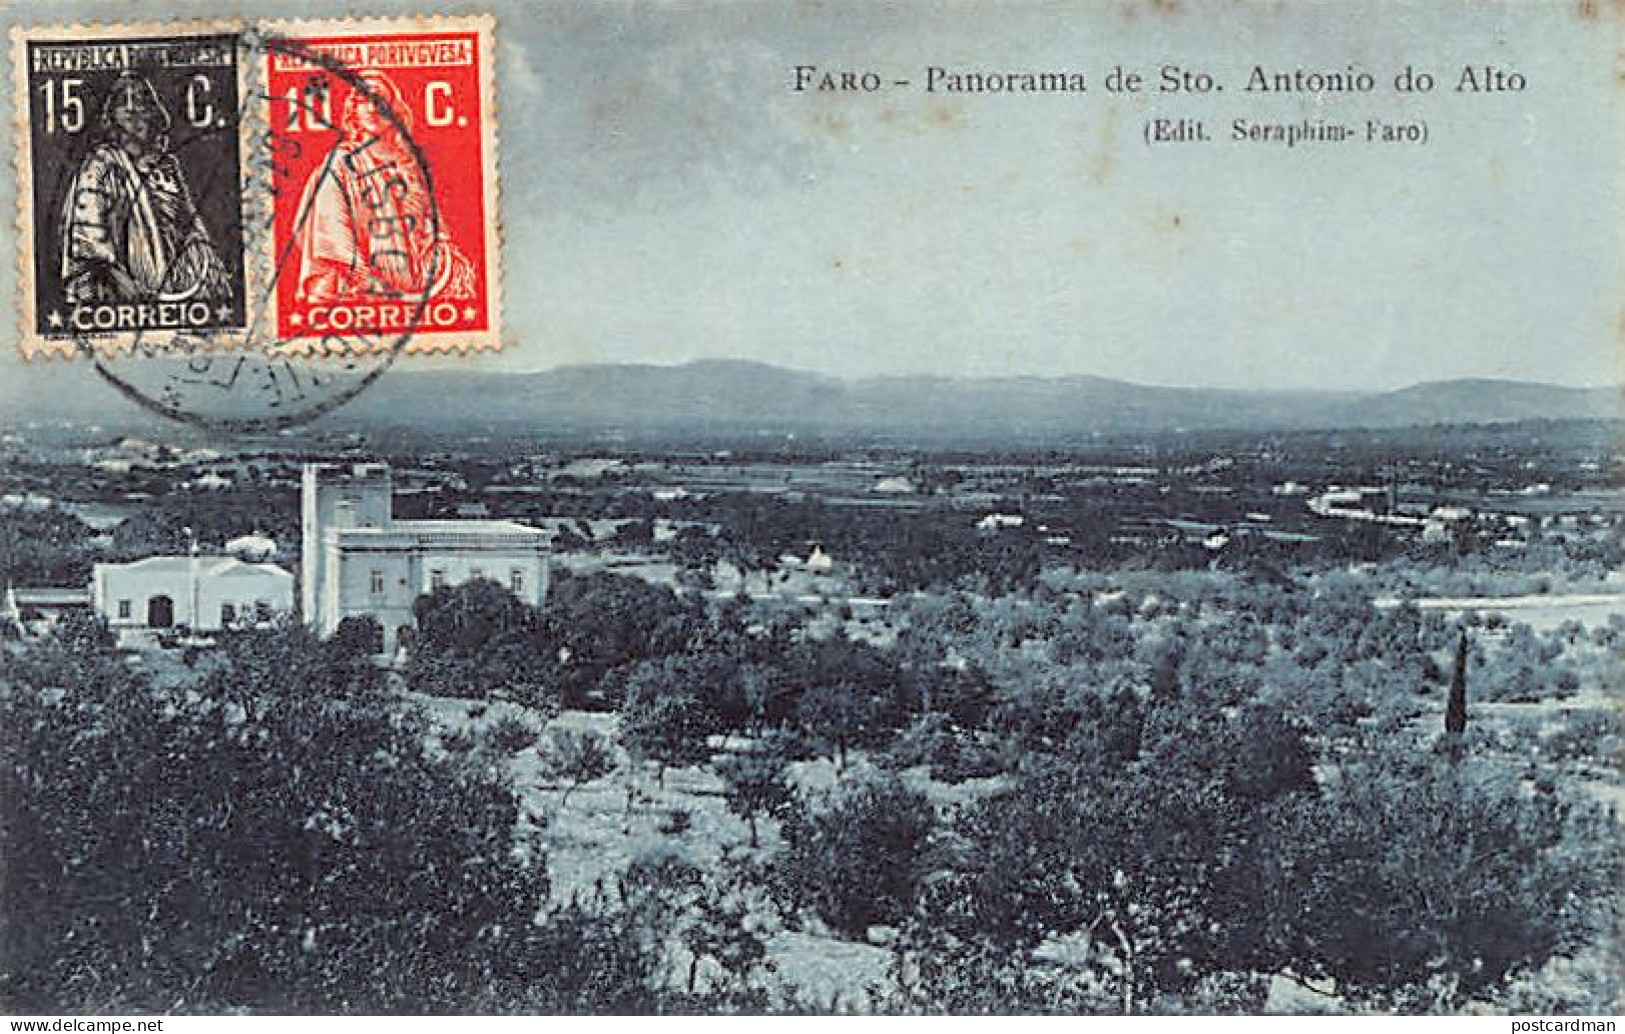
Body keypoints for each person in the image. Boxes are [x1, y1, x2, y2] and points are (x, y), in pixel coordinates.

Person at [293, 69, 476, 305]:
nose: (371, 108)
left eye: (378, 100)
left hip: (414, 288)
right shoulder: (341, 166)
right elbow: (333, 239)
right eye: (362, 100)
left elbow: (435, 230)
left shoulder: (409, 166)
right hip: (356, 293)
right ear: (354, 111)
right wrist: (371, 283)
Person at [58, 71, 231, 304]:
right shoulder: (100, 166)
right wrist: (129, 287)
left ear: (153, 115)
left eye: (140, 102)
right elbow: (90, 240)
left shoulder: (168, 167)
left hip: (173, 287)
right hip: (119, 292)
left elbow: (190, 225)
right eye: (123, 103)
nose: (132, 111)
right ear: (112, 118)